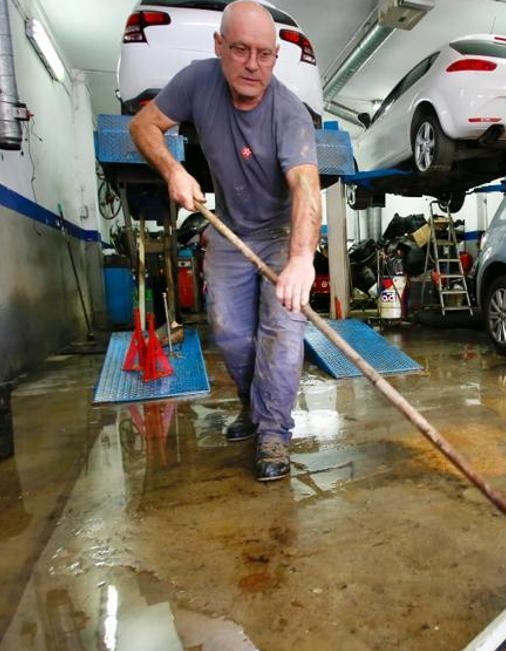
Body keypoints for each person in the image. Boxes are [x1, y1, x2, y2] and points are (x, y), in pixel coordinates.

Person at [130, 0, 320, 482]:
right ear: (220, 46)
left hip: (279, 235)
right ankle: (251, 409)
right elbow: (143, 125)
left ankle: (274, 429)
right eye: (240, 50)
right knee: (232, 333)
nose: (253, 65)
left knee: (282, 333)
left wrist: (302, 258)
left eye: (264, 54)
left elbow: (304, 186)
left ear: (276, 56)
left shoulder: (290, 113)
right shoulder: (197, 81)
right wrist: (174, 170)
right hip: (230, 231)